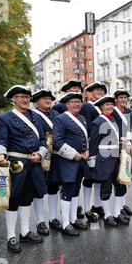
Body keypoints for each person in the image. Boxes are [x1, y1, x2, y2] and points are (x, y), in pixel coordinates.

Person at [0, 85, 47, 253]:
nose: (25, 100)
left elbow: (43, 141)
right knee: (13, 199)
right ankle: (11, 236)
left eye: (27, 97)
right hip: (16, 164)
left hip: (34, 163)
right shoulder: (5, 118)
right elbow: (1, 140)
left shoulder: (36, 117)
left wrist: (40, 153)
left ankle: (24, 232)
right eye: (20, 97)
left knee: (27, 198)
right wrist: (1, 155)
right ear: (14, 99)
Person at [52, 92, 90, 235]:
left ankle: (73, 219)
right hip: (68, 161)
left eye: (79, 101)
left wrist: (86, 150)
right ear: (67, 104)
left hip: (81, 160)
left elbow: (84, 138)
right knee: (67, 191)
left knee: (75, 190)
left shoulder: (82, 118)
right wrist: (74, 155)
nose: (77, 104)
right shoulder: (61, 119)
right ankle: (65, 223)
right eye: (73, 101)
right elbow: (57, 142)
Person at [89, 95, 129, 227]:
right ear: (101, 107)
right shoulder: (97, 122)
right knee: (106, 189)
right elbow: (94, 144)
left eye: (112, 104)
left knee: (120, 186)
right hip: (104, 159)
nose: (110, 107)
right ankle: (107, 215)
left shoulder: (113, 120)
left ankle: (117, 213)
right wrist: (92, 161)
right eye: (107, 105)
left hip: (117, 158)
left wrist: (123, 141)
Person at [30, 89, 61, 235]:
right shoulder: (32, 115)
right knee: (39, 189)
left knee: (54, 186)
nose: (48, 101)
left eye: (49, 98)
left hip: (57, 155)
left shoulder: (56, 114)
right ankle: (40, 221)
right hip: (40, 155)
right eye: (44, 99)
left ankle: (53, 218)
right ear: (37, 101)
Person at [80, 82, 107, 218]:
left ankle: (97, 204)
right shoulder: (87, 107)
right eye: (97, 90)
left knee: (99, 177)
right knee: (89, 178)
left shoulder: (105, 108)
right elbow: (86, 128)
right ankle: (86, 208)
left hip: (104, 147)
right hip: (92, 145)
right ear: (90, 92)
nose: (100, 92)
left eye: (102, 90)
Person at [112, 88, 132, 219]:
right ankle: (118, 209)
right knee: (117, 178)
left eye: (125, 98)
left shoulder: (130, 112)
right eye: (121, 98)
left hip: (127, 148)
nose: (123, 100)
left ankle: (123, 205)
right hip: (116, 147)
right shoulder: (113, 112)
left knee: (125, 176)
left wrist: (129, 139)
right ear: (116, 100)